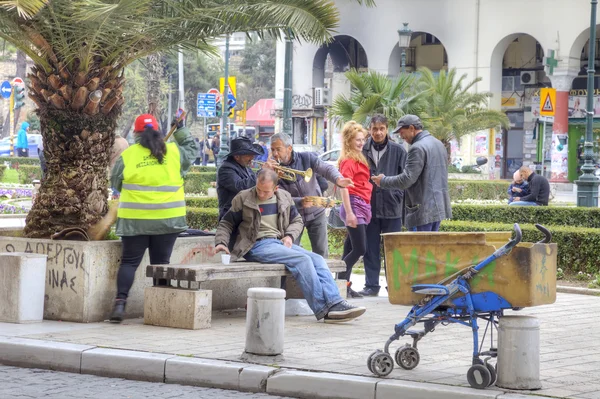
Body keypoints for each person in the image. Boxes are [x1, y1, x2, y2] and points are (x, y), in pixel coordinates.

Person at [214, 169, 366, 323]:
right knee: (302, 260)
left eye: (266, 192)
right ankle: (324, 309)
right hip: (255, 245)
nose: (260, 194)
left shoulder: (284, 197)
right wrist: (221, 242)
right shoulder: (243, 197)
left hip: (279, 242)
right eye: (258, 189)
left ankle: (336, 303)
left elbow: (297, 221)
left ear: (275, 188)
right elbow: (226, 223)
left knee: (317, 259)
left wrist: (289, 236)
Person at [108, 113, 198, 323]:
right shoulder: (174, 152)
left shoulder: (129, 156)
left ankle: (120, 304)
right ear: (158, 130)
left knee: (129, 263)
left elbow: (116, 182)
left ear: (136, 133)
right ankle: (161, 308)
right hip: (168, 220)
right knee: (161, 263)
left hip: (135, 220)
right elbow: (192, 150)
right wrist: (181, 129)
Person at [268, 133, 354, 258]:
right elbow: (275, 196)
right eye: (272, 150)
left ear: (289, 148)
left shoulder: (307, 158)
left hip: (316, 212)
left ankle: (322, 277)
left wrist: (338, 179)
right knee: (290, 253)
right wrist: (299, 202)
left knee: (321, 253)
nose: (275, 154)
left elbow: (326, 169)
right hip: (293, 216)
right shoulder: (272, 169)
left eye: (278, 149)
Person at [372, 115, 452, 231]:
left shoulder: (417, 148)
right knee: (430, 248)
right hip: (438, 209)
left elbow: (407, 179)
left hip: (423, 211)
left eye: (402, 131)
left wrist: (383, 181)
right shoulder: (438, 144)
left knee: (420, 248)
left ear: (411, 128)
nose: (401, 136)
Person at [359, 114, 407, 297]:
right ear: (369, 130)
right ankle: (371, 285)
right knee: (370, 248)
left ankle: (394, 286)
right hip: (368, 207)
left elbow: (406, 179)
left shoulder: (399, 151)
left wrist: (398, 196)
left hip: (392, 207)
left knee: (392, 250)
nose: (378, 132)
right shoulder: (362, 149)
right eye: (374, 129)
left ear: (387, 129)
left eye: (382, 128)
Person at [337, 121, 372, 298]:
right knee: (360, 249)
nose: (361, 143)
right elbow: (344, 187)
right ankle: (337, 284)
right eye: (358, 140)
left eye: (363, 140)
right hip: (354, 205)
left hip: (361, 205)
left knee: (349, 248)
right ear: (349, 141)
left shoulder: (358, 158)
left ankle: (344, 286)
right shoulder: (349, 161)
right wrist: (350, 212)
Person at [216, 136, 265, 220]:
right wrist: (262, 173)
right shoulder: (226, 169)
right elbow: (240, 187)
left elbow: (254, 186)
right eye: (248, 155)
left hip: (245, 215)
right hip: (231, 217)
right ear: (237, 157)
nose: (252, 158)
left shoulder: (245, 167)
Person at [109, 134, 130, 200]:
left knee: (115, 185)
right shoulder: (125, 141)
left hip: (114, 167)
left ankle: (115, 197)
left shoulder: (113, 142)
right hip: (124, 167)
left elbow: (109, 156)